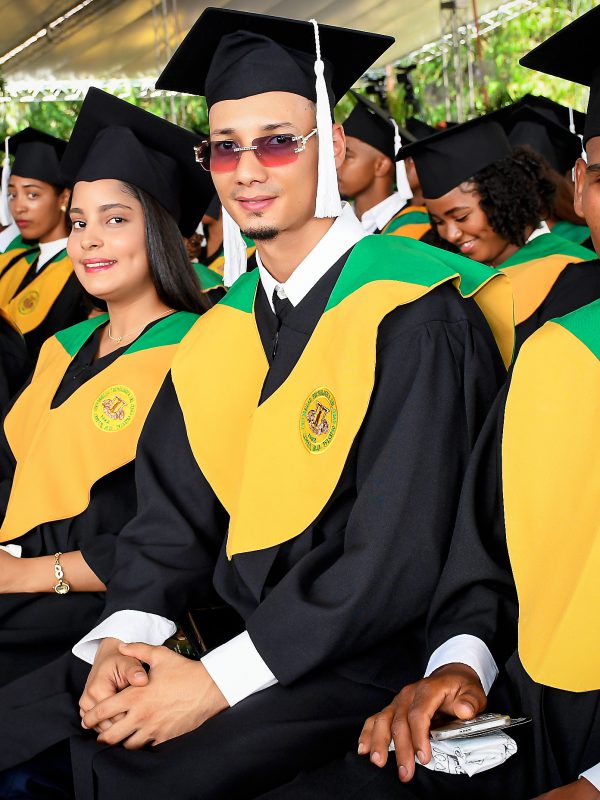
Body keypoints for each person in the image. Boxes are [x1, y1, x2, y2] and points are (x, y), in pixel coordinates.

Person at [0, 10, 514, 799]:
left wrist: (216, 683)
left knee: (142, 775)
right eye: (225, 147)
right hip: (242, 639)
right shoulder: (223, 330)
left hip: (372, 659)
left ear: (330, 148)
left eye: (277, 142)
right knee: (64, 723)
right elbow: (171, 526)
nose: (247, 170)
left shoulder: (412, 312)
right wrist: (122, 639)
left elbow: (393, 559)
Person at [263, 13, 600, 797]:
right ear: (582, 186)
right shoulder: (563, 349)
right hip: (531, 699)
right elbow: (488, 540)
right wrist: (459, 662)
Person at [0, 86, 213, 698]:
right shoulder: (62, 348)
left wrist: (26, 576)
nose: (88, 239)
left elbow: (184, 536)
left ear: (161, 231)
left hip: (112, 621)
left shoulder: (200, 352)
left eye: (115, 219)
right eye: (79, 222)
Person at [398, 116, 600, 351]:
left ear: (504, 197)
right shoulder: (450, 279)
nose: (451, 234)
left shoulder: (576, 274)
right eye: (438, 222)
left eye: (461, 217)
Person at [0, 128, 89, 358]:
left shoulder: (84, 271)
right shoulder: (13, 261)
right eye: (12, 194)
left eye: (32, 194)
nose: (18, 207)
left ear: (64, 197)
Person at [337, 91, 417, 237]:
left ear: (381, 166)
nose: (336, 164)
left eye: (347, 156)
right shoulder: (337, 221)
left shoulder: (414, 228)